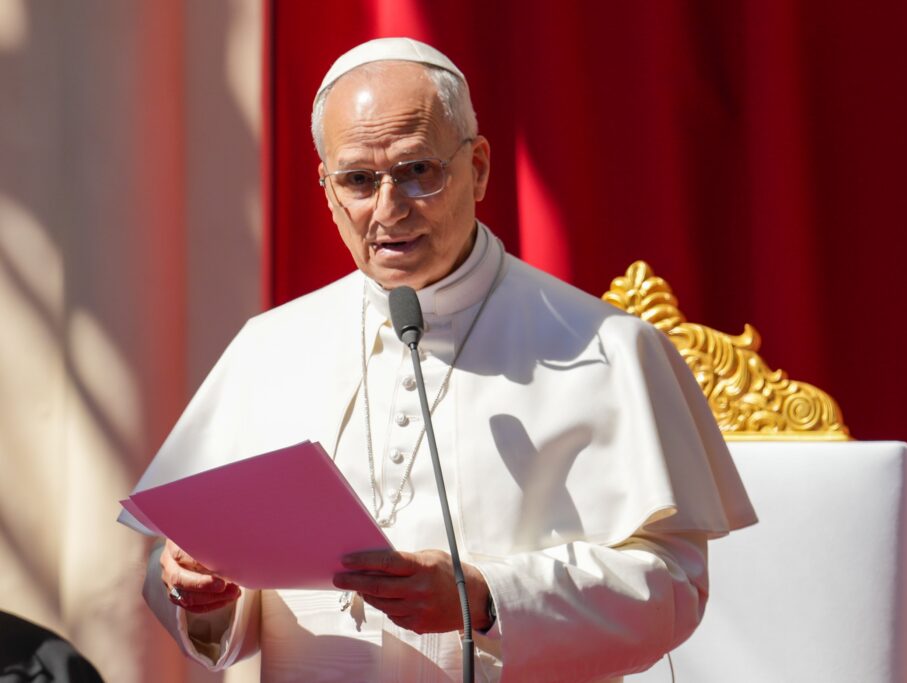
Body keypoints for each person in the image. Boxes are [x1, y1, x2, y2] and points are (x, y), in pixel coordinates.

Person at [120, 37, 756, 682]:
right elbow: (174, 561)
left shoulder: (607, 347)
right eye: (358, 180)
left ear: (477, 168)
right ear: (326, 187)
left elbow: (672, 586)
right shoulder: (270, 345)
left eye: (419, 170)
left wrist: (483, 596)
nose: (388, 210)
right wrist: (196, 592)